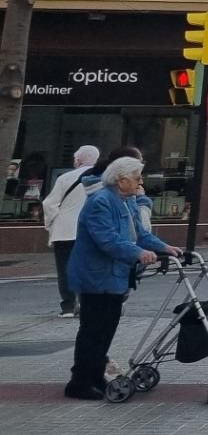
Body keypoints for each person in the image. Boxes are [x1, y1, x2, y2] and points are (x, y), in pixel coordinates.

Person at [64, 155, 178, 399]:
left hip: (115, 275)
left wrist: (163, 247)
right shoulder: (100, 202)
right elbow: (108, 240)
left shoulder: (128, 201)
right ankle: (80, 381)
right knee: (93, 330)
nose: (140, 182)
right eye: (136, 177)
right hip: (95, 276)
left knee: (107, 328)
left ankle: (95, 375)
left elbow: (140, 233)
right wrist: (139, 253)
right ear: (121, 180)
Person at [41, 145, 100, 317]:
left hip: (65, 230)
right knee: (88, 267)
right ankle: (86, 303)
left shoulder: (65, 178)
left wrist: (51, 223)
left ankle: (68, 305)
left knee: (65, 268)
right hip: (91, 230)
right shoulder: (103, 179)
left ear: (78, 160)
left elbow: (49, 204)